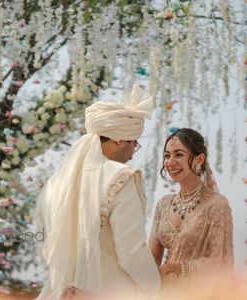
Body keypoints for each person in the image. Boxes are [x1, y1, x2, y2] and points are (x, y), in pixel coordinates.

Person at [35, 85, 161, 299]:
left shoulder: (57, 182)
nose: (133, 152)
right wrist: (157, 287)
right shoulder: (121, 176)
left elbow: (44, 243)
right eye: (134, 143)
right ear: (119, 139)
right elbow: (131, 251)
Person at [149, 128, 234, 289]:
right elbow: (152, 258)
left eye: (179, 154)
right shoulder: (163, 204)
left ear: (199, 159)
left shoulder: (217, 205)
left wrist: (181, 269)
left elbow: (221, 261)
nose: (170, 162)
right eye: (167, 156)